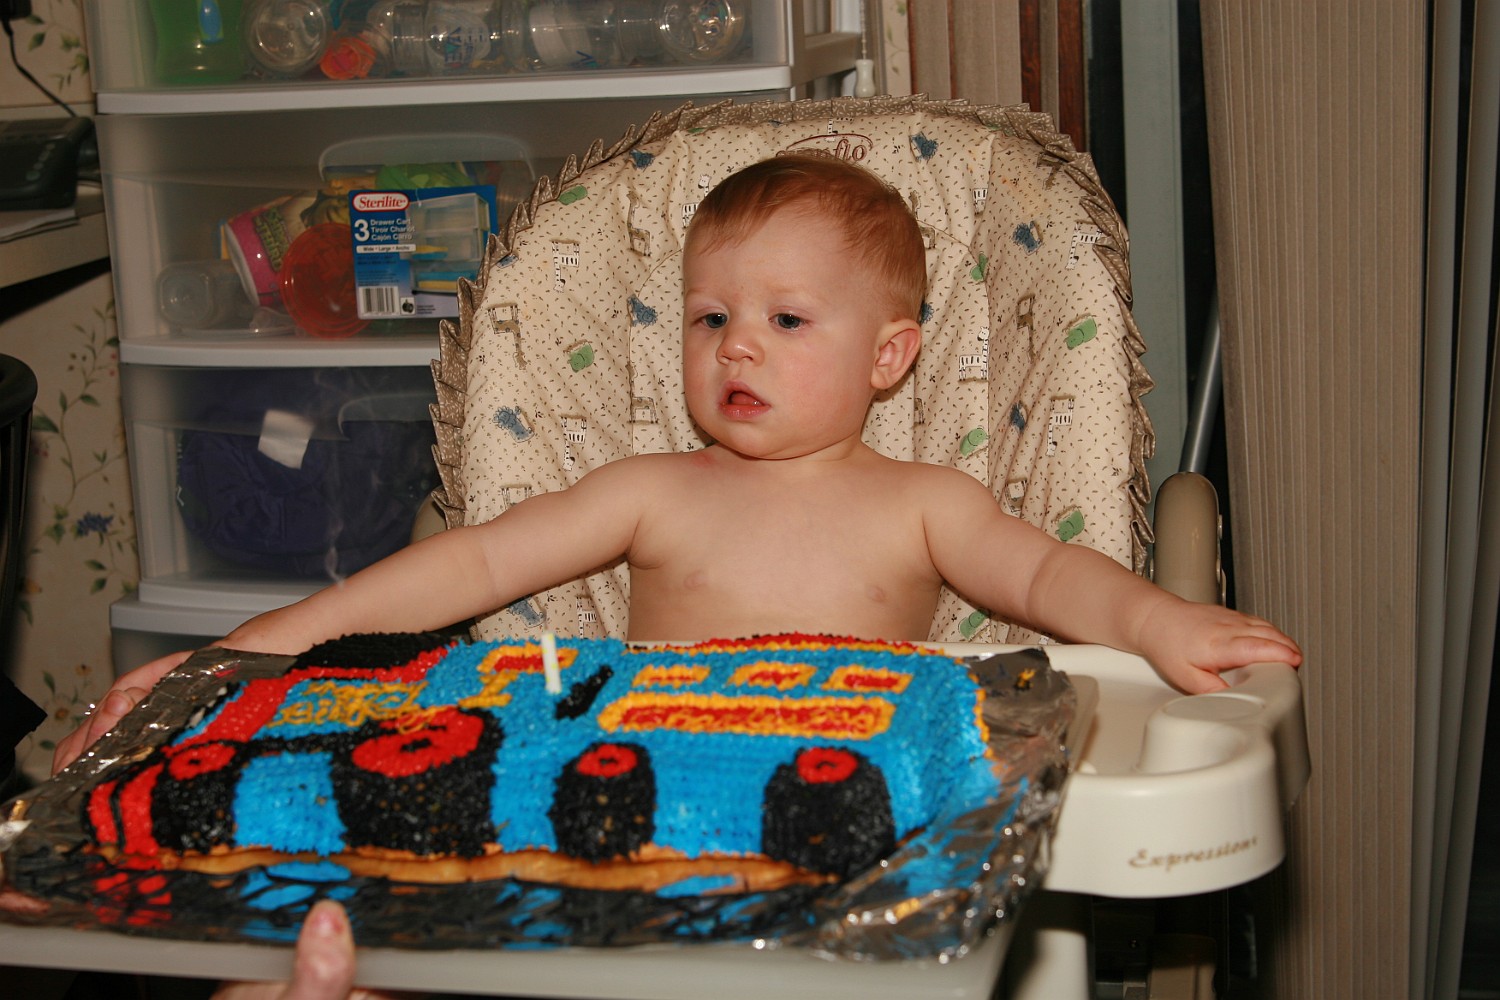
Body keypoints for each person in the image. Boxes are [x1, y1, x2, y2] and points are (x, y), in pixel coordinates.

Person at [51, 153, 1301, 997]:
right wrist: (267, 640)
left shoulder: (925, 504)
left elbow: (1050, 574)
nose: (737, 345)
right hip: (628, 825)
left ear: (891, 356)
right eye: (711, 318)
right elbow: (474, 561)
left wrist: (1159, 619)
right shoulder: (654, 488)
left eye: (786, 320)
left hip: (828, 832)